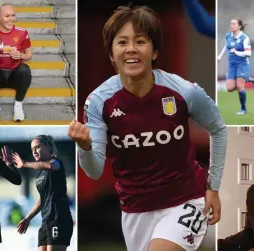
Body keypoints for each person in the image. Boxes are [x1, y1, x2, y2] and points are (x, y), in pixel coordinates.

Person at [68, 4, 227, 251]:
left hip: (187, 201)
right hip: (135, 210)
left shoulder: (183, 91)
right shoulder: (99, 101)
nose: (131, 49)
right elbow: (94, 170)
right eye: (122, 42)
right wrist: (85, 147)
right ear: (111, 54)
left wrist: (213, 188)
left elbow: (218, 128)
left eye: (140, 41)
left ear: (154, 51)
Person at [14, 135, 73, 251]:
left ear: (47, 147)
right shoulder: (40, 172)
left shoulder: (55, 161)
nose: (34, 152)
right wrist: (28, 218)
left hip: (59, 219)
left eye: (37, 147)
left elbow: (52, 166)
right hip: (46, 221)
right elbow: (42, 199)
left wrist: (25, 164)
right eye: (32, 149)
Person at [0, 3, 33, 122]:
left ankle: (18, 106)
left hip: (15, 76)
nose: (11, 19)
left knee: (25, 69)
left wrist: (21, 55)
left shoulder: (22, 32)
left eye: (13, 15)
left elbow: (29, 54)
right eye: (7, 16)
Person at [218, 19, 251, 115]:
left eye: (233, 24)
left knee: (240, 87)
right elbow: (226, 46)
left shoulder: (245, 38)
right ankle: (245, 79)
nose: (231, 25)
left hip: (242, 64)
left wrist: (237, 52)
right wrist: (219, 57)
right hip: (232, 65)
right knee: (229, 88)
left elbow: (249, 53)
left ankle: (243, 109)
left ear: (239, 26)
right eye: (231, 23)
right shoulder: (228, 36)